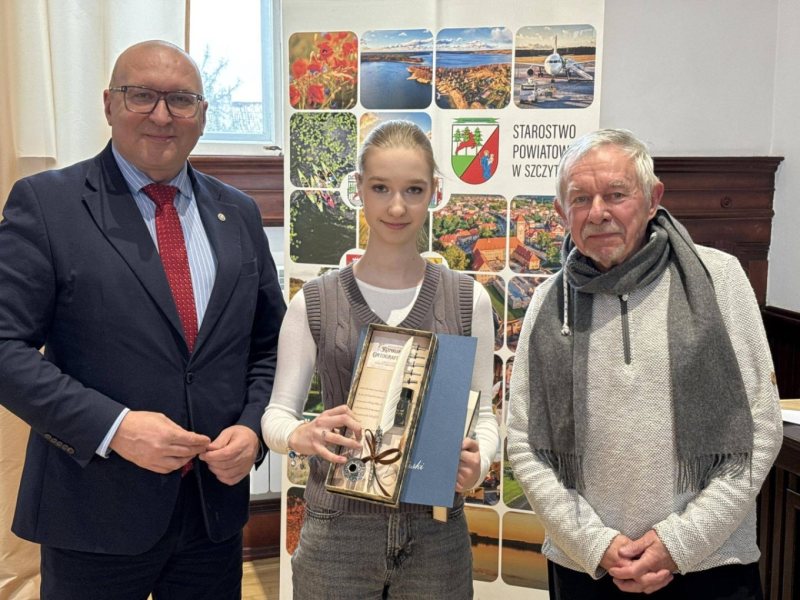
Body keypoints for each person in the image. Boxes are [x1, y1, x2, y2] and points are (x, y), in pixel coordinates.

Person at [0, 40, 285, 599]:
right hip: (94, 514)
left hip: (213, 513)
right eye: (141, 96)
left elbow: (269, 344)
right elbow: (5, 348)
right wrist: (115, 428)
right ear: (109, 103)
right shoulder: (47, 204)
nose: (161, 115)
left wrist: (254, 428)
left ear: (203, 114)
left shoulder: (238, 212)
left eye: (180, 100)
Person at [507, 128, 783, 599]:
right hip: (587, 569)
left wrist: (679, 544)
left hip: (710, 566)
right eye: (581, 199)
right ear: (561, 211)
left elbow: (760, 429)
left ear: (653, 199)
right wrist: (596, 545)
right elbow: (523, 441)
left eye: (616, 194)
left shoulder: (720, 279)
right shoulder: (549, 303)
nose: (598, 212)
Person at [262, 120, 499, 599]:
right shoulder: (314, 301)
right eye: (380, 188)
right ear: (359, 191)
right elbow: (276, 417)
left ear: (434, 193)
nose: (396, 207)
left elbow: (485, 417)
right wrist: (302, 435)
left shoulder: (467, 299)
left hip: (436, 532)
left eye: (413, 190)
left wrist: (479, 462)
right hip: (337, 533)